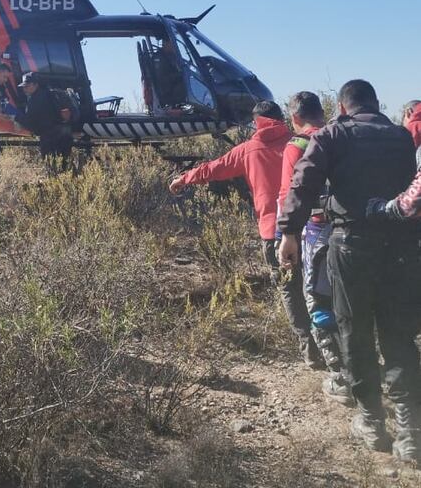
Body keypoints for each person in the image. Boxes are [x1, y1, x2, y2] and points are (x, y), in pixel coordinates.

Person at [278, 79, 420, 461]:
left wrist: (289, 232)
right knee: (399, 335)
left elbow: (303, 182)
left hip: (352, 246)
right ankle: (409, 432)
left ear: (342, 107)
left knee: (354, 331)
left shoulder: (332, 135)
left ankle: (372, 422)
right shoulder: (401, 137)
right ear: (376, 104)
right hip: (401, 248)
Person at [170, 101, 320, 367]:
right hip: (311, 227)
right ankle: (331, 345)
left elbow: (213, 168)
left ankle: (310, 350)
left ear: (256, 122)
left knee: (290, 290)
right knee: (319, 287)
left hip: (273, 233)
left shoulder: (248, 150)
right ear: (282, 118)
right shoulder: (302, 142)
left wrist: (185, 178)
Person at [277, 92, 352, 405]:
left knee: (318, 300)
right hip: (353, 230)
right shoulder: (341, 137)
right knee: (349, 301)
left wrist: (287, 235)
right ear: (322, 112)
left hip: (316, 234)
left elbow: (289, 194)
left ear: (294, 117)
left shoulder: (297, 146)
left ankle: (340, 375)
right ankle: (358, 364)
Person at [14, 72, 73, 167]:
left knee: (50, 164)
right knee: (64, 164)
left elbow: (30, 123)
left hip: (49, 136)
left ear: (36, 85)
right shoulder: (52, 93)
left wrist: (17, 118)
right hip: (65, 133)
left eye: (27, 86)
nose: (24, 89)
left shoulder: (34, 100)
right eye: (23, 87)